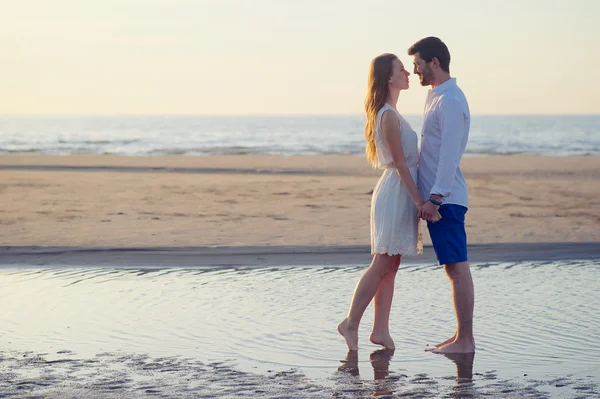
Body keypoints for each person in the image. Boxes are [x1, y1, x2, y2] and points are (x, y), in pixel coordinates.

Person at [337, 53, 440, 351]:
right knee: (383, 260)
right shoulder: (388, 115)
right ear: (388, 78)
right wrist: (421, 200)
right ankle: (350, 323)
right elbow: (401, 164)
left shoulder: (392, 112)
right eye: (401, 69)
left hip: (397, 190)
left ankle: (380, 330)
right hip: (396, 191)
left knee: (391, 263)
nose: (408, 73)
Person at [408, 37, 475, 353]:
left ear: (434, 62)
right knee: (452, 266)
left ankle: (465, 340)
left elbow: (449, 155)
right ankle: (461, 337)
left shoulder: (449, 100)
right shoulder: (436, 96)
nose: (415, 70)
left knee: (457, 266)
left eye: (418, 64)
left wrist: (435, 199)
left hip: (445, 200)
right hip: (440, 197)